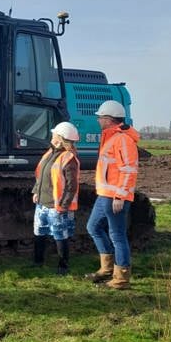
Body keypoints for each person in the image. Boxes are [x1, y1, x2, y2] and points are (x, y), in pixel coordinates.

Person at [85, 100, 140, 290]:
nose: (98, 120)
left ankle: (121, 278)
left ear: (109, 119)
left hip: (114, 196)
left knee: (117, 235)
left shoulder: (123, 140)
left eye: (100, 117)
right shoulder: (111, 137)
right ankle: (107, 269)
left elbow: (129, 170)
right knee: (93, 227)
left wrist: (120, 196)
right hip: (105, 194)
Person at [31, 121, 81, 275]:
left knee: (60, 235)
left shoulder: (68, 158)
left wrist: (63, 205)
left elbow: (71, 186)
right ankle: (38, 261)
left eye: (54, 134)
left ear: (60, 138)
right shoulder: (49, 153)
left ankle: (63, 266)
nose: (52, 136)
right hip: (42, 203)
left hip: (57, 205)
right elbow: (41, 175)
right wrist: (36, 192)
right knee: (39, 232)